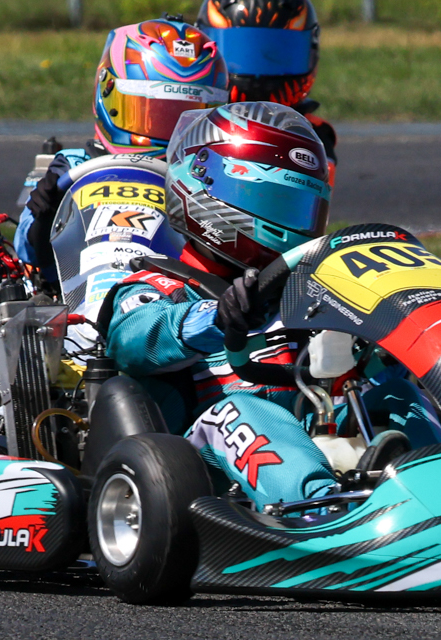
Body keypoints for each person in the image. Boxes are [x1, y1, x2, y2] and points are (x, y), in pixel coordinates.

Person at [100, 101, 343, 513]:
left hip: (310, 429)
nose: (295, 225)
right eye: (277, 203)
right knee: (245, 410)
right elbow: (130, 342)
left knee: (391, 395)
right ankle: (319, 514)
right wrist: (215, 317)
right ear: (205, 190)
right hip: (196, 467)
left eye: (302, 209)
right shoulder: (160, 286)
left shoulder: (306, 291)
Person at [15, 15, 228, 283]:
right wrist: (43, 217)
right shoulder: (72, 167)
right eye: (151, 114)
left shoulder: (205, 181)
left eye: (184, 120)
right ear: (107, 96)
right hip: (75, 293)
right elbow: (26, 248)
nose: (168, 131)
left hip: (174, 293)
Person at [199, 0, 336, 159]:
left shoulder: (313, 135)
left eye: (274, 53)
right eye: (243, 52)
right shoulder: (191, 120)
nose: (258, 76)